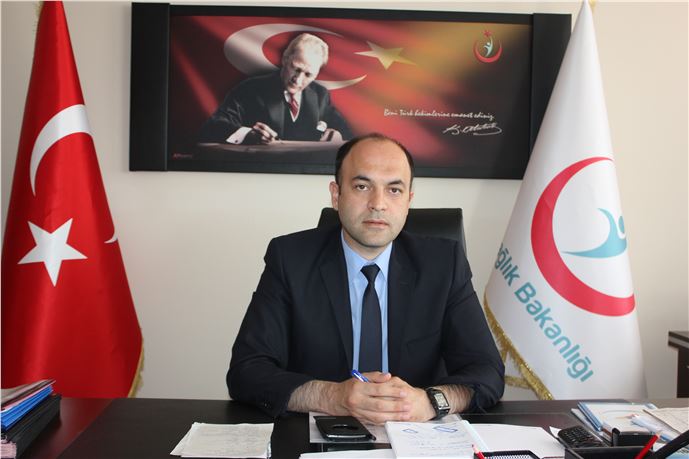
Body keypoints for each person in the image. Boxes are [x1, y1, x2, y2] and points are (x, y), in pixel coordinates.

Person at [227, 133, 504, 424]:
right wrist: (331, 396)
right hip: (319, 435)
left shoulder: (443, 264)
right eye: (362, 186)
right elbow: (247, 370)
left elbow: (486, 370)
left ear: (408, 201)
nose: (378, 203)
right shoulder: (290, 259)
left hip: (415, 437)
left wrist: (430, 401)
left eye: (394, 190)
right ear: (336, 195)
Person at [199, 33, 352, 145]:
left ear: (316, 74)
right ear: (285, 59)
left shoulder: (320, 95)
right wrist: (248, 134)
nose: (298, 80)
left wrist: (338, 136)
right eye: (296, 69)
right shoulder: (250, 88)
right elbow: (213, 127)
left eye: (308, 74)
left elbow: (347, 133)